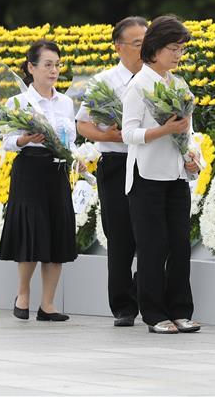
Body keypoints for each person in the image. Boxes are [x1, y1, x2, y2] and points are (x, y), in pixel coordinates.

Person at [121, 15, 201, 334]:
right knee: (153, 247)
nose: (178, 54)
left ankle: (181, 310)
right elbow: (128, 134)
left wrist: (192, 157)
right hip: (147, 177)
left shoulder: (179, 85)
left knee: (180, 245)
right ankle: (154, 314)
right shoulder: (138, 86)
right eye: (173, 48)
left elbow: (188, 132)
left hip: (176, 176)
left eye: (181, 48)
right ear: (154, 49)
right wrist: (163, 130)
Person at [0, 40, 77, 322]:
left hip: (56, 170)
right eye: (47, 65)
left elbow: (72, 138)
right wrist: (24, 139)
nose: (54, 70)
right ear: (31, 68)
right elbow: (6, 141)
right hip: (29, 168)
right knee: (31, 232)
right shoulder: (18, 102)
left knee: (56, 233)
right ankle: (22, 293)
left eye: (57, 65)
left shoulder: (66, 102)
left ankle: (48, 304)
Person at [76, 16, 147, 326]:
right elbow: (83, 124)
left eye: (147, 41)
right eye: (137, 43)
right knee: (119, 236)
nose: (145, 48)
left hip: (149, 162)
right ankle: (123, 306)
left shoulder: (157, 78)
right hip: (117, 162)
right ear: (119, 47)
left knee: (150, 235)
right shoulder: (103, 82)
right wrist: (111, 135)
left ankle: (147, 295)